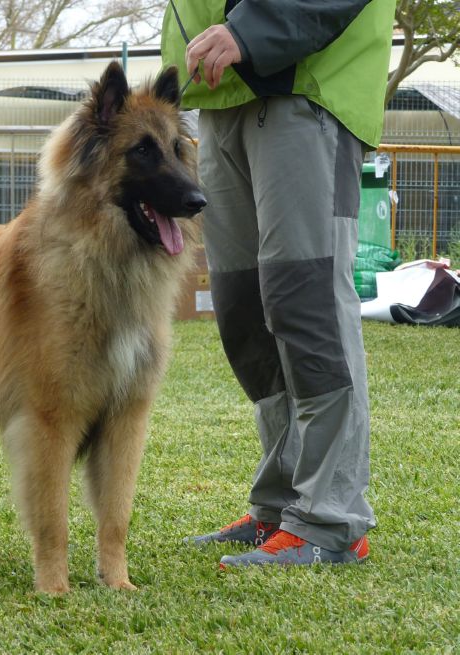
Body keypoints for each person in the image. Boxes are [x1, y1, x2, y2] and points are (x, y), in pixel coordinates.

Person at [161, 0, 395, 566]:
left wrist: (249, 31)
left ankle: (330, 519)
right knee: (244, 310)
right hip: (221, 94)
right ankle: (282, 504)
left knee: (305, 300)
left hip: (306, 84)